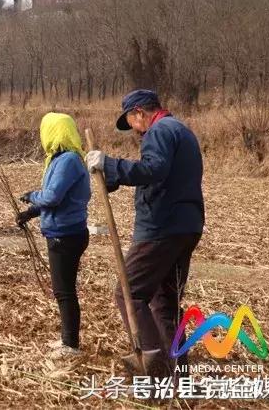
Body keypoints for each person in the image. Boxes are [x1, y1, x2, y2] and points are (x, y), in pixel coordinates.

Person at [85, 89, 205, 374]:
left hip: (161, 228)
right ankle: (179, 373)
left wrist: (110, 163)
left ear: (140, 112)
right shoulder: (181, 131)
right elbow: (160, 177)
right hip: (186, 226)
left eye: (133, 122)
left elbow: (154, 169)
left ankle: (155, 370)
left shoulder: (159, 131)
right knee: (164, 301)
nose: (136, 132)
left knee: (130, 294)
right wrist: (112, 176)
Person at [16, 113, 91, 359]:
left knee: (64, 291)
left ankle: (71, 345)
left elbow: (52, 197)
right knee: (62, 290)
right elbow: (53, 198)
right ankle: (66, 340)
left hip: (66, 235)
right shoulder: (59, 160)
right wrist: (30, 213)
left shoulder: (68, 160)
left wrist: (32, 195)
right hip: (62, 232)